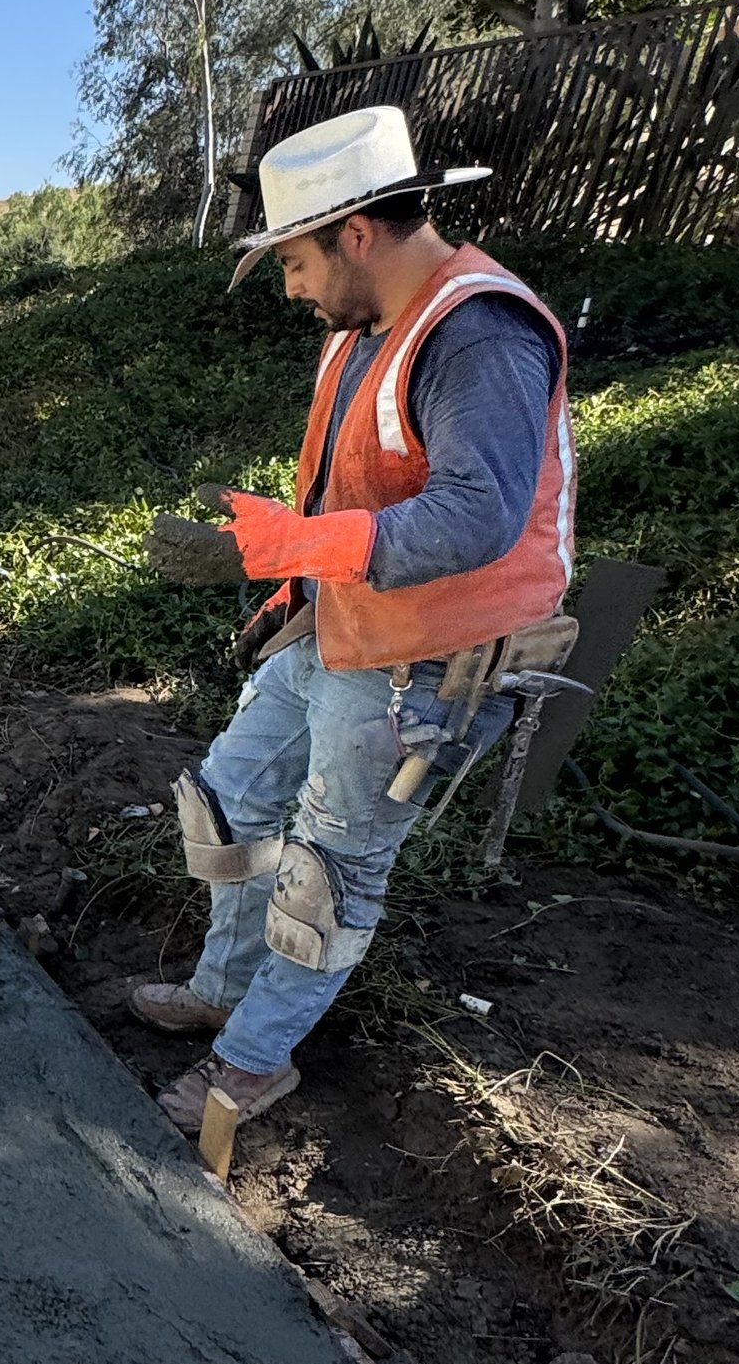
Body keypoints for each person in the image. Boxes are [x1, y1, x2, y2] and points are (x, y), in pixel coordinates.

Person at [135, 104, 576, 1138]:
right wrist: (283, 590)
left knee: (327, 872)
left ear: (357, 234)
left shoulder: (478, 335)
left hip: (430, 663)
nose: (288, 286)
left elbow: (474, 516)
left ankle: (249, 1063)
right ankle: (224, 987)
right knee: (225, 799)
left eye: (291, 260)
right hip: (347, 627)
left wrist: (284, 550)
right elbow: (354, 503)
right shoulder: (364, 328)